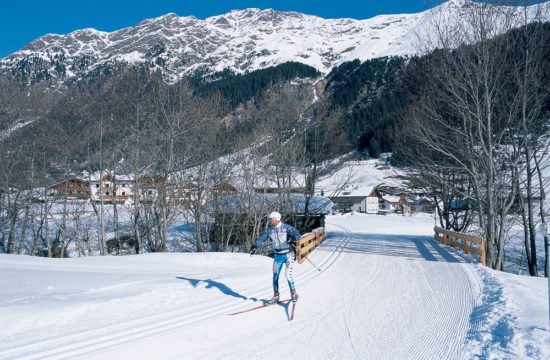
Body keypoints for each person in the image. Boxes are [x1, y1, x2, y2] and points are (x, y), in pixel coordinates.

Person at [249, 211, 301, 304]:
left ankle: (293, 293)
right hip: (278, 256)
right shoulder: (269, 230)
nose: (269, 221)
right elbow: (261, 238)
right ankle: (276, 297)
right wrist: (254, 247)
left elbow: (297, 234)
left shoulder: (286, 228)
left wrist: (292, 239)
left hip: (289, 254)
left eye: (270, 219)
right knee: (275, 276)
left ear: (276, 219)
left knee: (288, 275)